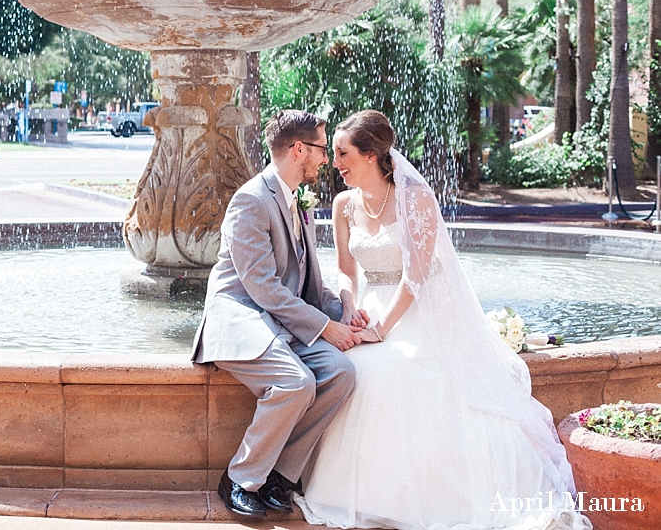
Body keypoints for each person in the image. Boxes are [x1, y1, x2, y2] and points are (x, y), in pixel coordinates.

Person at [295, 110, 590, 530]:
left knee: (396, 370)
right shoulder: (343, 205)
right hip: (367, 308)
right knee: (348, 368)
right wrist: (347, 306)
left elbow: (416, 275)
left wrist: (383, 330)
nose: (334, 162)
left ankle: (429, 499)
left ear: (372, 155)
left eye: (342, 153)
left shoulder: (415, 198)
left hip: (417, 311)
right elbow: (345, 269)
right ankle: (355, 494)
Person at [191, 109, 365, 519]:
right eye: (323, 149)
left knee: (342, 374)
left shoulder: (298, 200)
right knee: (295, 383)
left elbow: (307, 280)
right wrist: (324, 327)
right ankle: (240, 478)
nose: (327, 159)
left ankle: (280, 476)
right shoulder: (250, 200)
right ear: (299, 149)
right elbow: (262, 287)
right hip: (242, 319)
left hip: (282, 324)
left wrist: (346, 313)